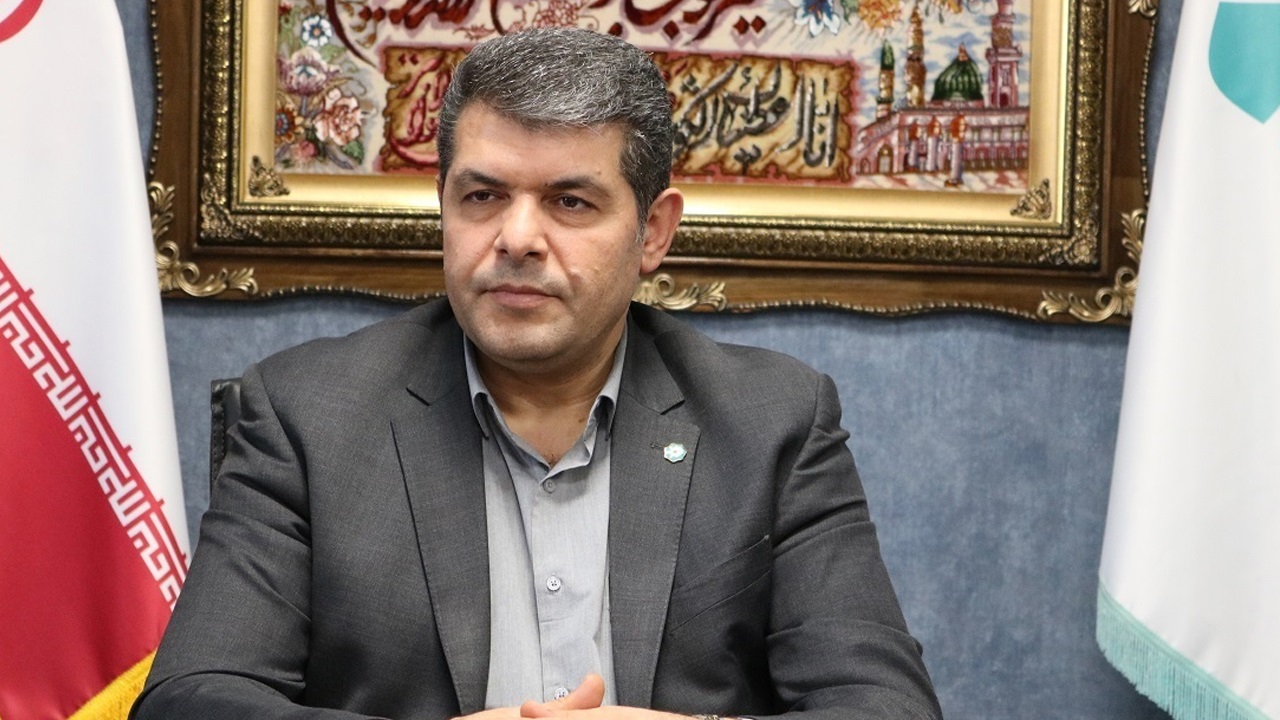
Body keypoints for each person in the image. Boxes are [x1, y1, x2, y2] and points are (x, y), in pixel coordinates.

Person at [132, 27, 941, 720]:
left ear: (654, 232)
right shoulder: (306, 415)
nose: (517, 237)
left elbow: (885, 707)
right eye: (483, 196)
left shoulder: (771, 421)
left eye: (570, 202)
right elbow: (191, 701)